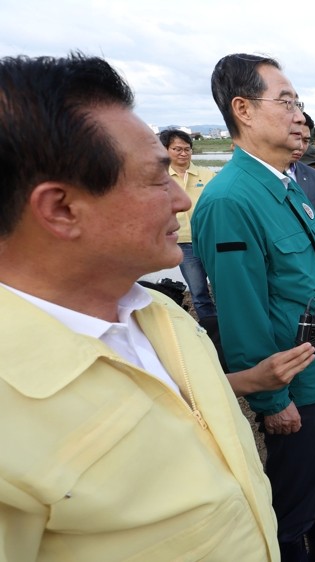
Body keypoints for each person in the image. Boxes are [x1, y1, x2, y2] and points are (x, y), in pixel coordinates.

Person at [0, 53, 278, 560]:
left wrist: (244, 382)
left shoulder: (157, 312)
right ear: (61, 209)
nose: (182, 199)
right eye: (156, 178)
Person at [193, 53, 315, 562]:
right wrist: (272, 402)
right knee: (292, 502)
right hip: (301, 386)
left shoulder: (292, 185)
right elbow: (241, 314)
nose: (300, 114)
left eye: (300, 103)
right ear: (244, 110)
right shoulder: (231, 199)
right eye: (288, 101)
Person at [156, 128, 224, 364]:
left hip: (212, 239)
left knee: (223, 286)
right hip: (184, 241)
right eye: (177, 149)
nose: (183, 153)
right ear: (166, 151)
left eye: (187, 149)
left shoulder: (207, 174)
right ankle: (212, 336)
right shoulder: (160, 177)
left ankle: (231, 330)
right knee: (198, 292)